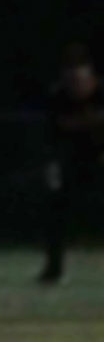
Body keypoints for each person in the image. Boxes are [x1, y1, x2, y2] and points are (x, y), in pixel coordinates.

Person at [37, 42, 104, 284]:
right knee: (55, 207)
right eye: (71, 80)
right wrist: (52, 169)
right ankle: (53, 269)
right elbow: (50, 141)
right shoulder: (57, 98)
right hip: (73, 162)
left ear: (92, 79)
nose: (76, 86)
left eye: (81, 80)